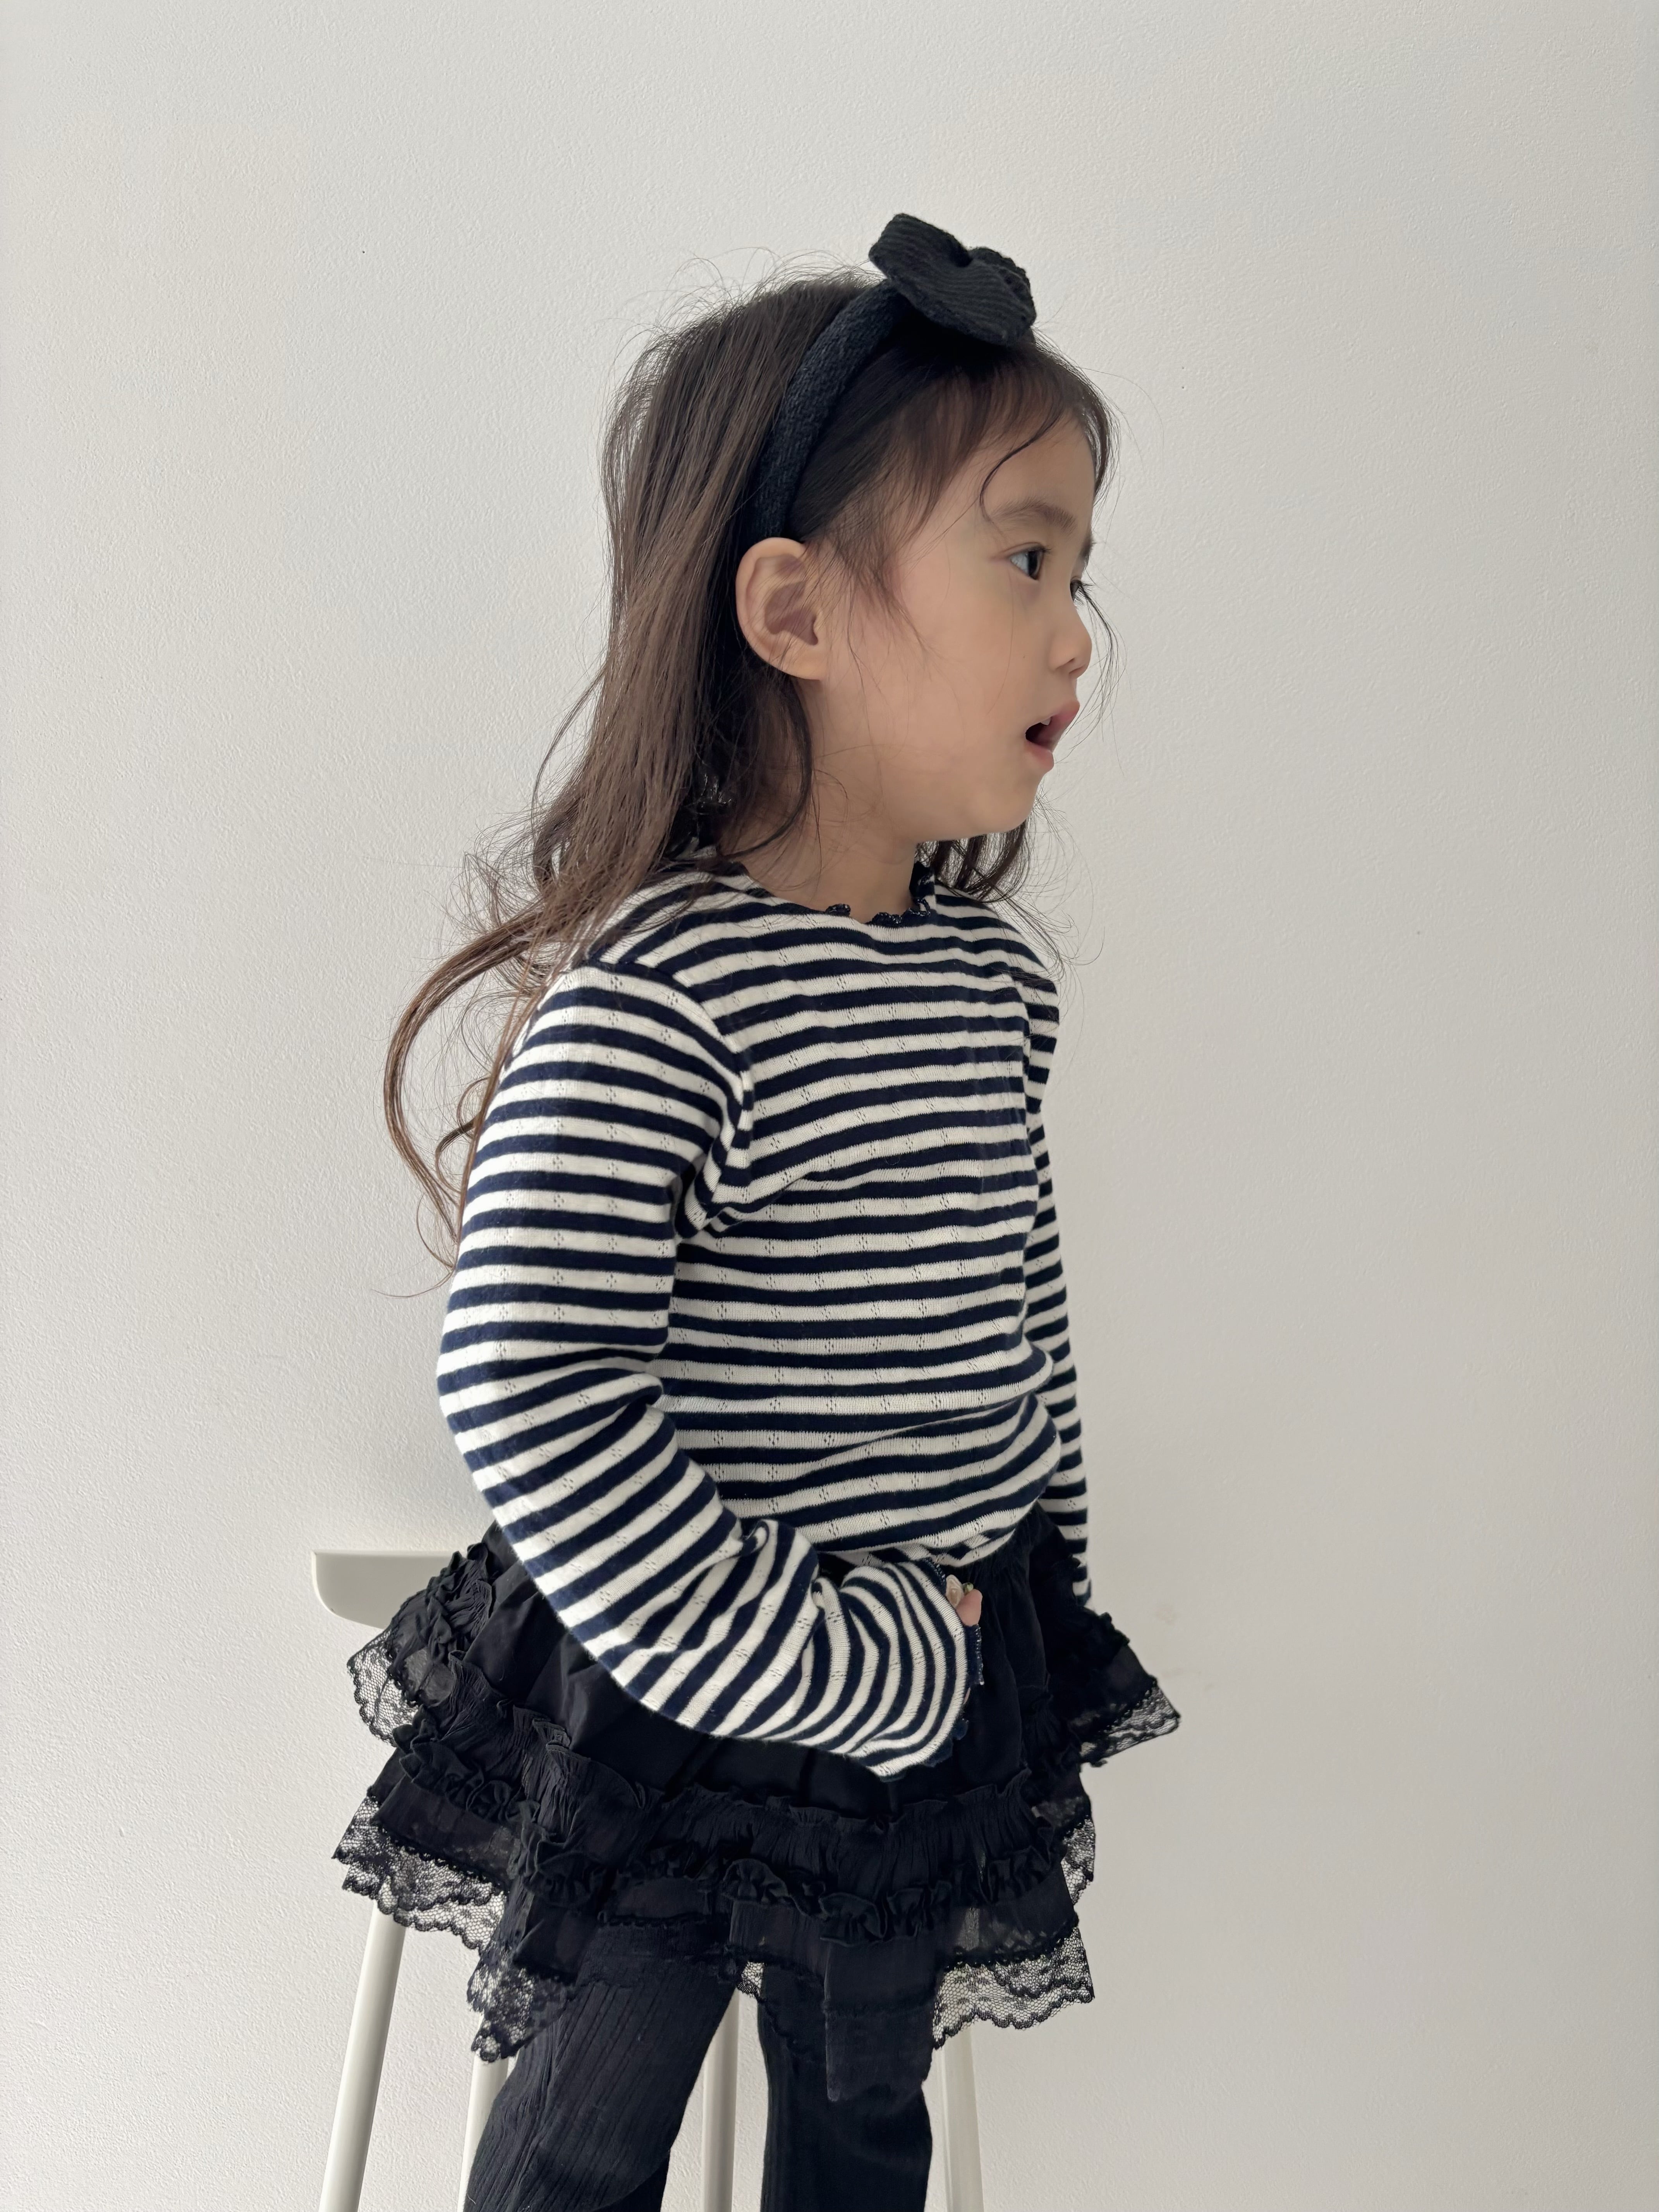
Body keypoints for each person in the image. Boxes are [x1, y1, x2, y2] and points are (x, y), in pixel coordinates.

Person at [333, 212, 1181, 2212]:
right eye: (1028, 561)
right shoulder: (668, 995)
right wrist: (815, 1657)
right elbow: (532, 1379)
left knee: (864, 2133)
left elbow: (1017, 1296)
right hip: (681, 1679)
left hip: (932, 1671)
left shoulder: (989, 985)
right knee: (583, 2138)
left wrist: (1045, 1566)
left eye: (1081, 572)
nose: (1079, 633)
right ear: (794, 612)